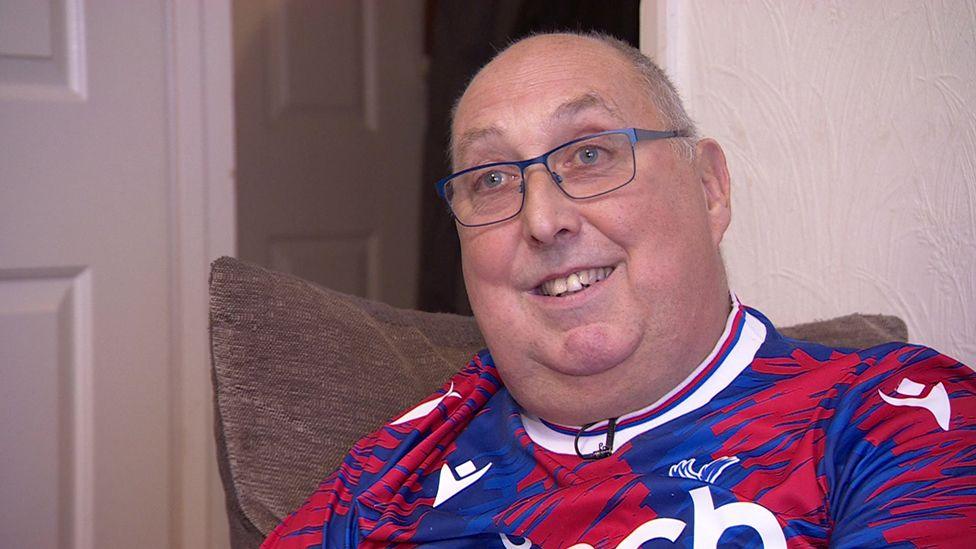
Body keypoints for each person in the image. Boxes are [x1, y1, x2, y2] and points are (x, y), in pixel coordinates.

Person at [262, 32, 975, 548]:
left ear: (709, 187)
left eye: (592, 153)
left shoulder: (894, 418)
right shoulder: (390, 472)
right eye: (491, 179)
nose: (543, 219)